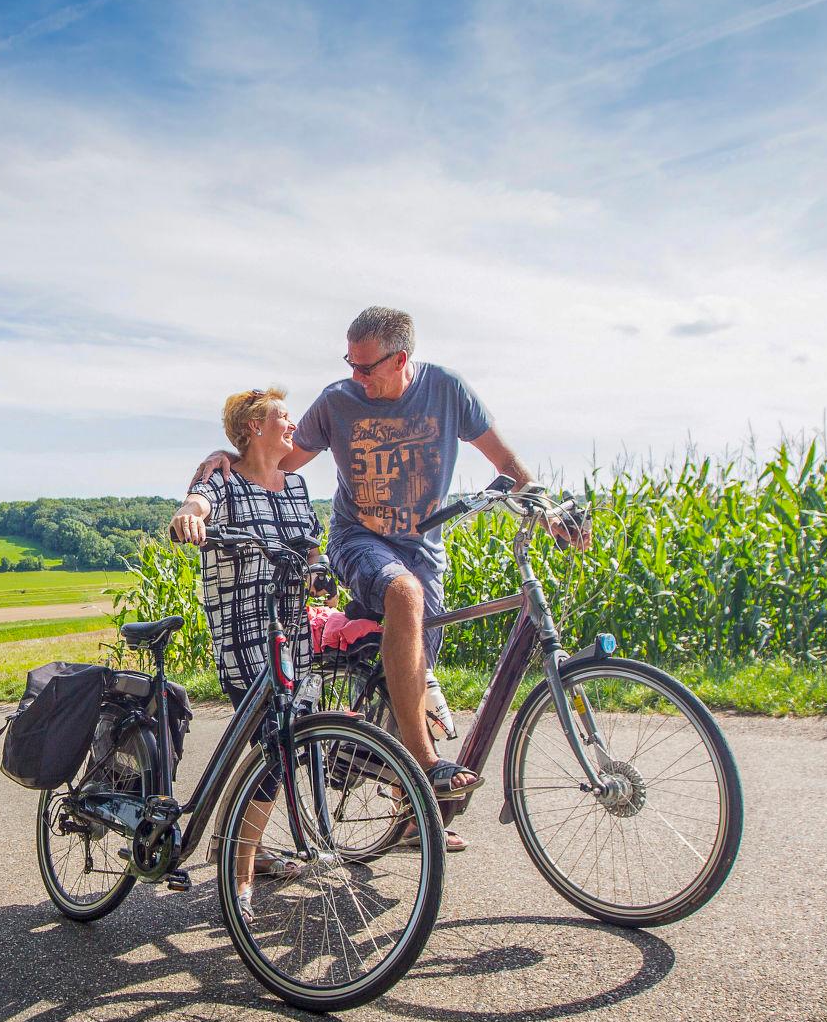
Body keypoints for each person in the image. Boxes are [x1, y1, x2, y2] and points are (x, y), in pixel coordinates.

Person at [196, 306, 564, 849]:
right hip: (357, 539)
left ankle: (410, 817)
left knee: (410, 676)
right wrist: (225, 456)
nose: (356, 376)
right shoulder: (338, 401)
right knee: (402, 593)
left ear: (402, 359)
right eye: (350, 363)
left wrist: (545, 506)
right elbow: (276, 461)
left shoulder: (446, 390)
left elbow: (505, 462)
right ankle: (422, 764)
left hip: (424, 549)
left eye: (366, 367)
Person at [169, 385, 319, 918]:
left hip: (292, 631)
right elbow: (198, 500)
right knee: (274, 748)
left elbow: (310, 544)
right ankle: (241, 874)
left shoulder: (297, 485)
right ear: (255, 428)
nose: (292, 424)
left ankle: (233, 841)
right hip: (245, 630)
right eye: (283, 417)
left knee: (289, 744)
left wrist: (319, 570)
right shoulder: (224, 480)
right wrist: (191, 513)